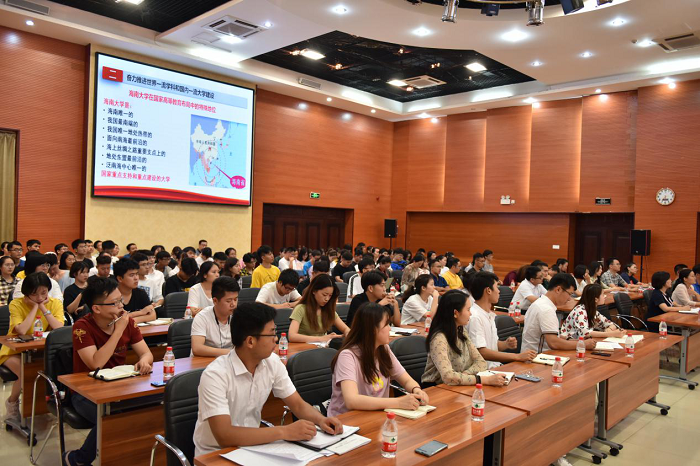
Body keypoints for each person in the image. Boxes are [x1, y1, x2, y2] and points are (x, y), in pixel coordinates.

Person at [193, 302, 343, 456]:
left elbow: (297, 405)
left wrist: (321, 420)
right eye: (271, 334)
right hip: (215, 454)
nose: (276, 339)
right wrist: (284, 431)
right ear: (250, 341)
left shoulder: (272, 362)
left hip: (252, 446)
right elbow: (225, 436)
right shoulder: (215, 375)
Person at [64, 276, 153, 466]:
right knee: (113, 416)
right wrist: (118, 330)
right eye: (115, 303)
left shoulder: (127, 322)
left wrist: (144, 361)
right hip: (85, 392)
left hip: (119, 386)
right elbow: (95, 363)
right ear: (96, 308)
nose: (121, 306)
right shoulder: (82, 327)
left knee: (150, 408)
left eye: (121, 300)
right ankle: (77, 459)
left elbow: (146, 353)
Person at [327, 302, 429, 416]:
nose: (389, 328)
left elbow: (406, 380)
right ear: (372, 329)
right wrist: (398, 402)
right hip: (347, 420)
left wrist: (416, 390)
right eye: (386, 325)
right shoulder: (347, 356)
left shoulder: (383, 349)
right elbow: (351, 400)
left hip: (376, 415)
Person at [0, 273, 64, 420]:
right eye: (34, 294)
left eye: (44, 292)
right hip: (12, 351)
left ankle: (43, 407)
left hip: (39, 350)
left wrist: (43, 308)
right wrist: (35, 307)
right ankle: (12, 403)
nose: (40, 297)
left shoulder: (54, 303)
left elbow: (59, 328)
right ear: (27, 293)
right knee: (26, 373)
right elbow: (22, 330)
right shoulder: (16, 304)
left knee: (50, 372)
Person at [422, 290, 504, 387]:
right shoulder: (439, 338)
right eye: (468, 309)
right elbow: (448, 377)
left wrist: (464, 375)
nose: (471, 314)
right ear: (455, 313)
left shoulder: (461, 330)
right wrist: (483, 380)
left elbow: (481, 362)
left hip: (457, 385)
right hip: (436, 388)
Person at [467, 272, 537, 368]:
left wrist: (506, 344)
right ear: (488, 290)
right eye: (497, 287)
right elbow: (481, 352)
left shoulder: (489, 314)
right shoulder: (475, 317)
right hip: (482, 370)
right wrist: (517, 356)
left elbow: (493, 345)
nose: (499, 291)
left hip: (494, 366)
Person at [521, 274, 597, 353]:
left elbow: (552, 338)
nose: (569, 299)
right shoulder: (546, 309)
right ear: (558, 290)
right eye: (569, 294)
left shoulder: (540, 303)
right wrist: (583, 344)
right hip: (537, 356)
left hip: (534, 353)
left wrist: (575, 340)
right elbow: (554, 343)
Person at [289, 274, 349, 343]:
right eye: (324, 295)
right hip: (304, 347)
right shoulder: (301, 309)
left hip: (322, 346)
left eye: (330, 296)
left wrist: (347, 334)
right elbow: (292, 336)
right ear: (314, 291)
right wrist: (321, 338)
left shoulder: (328, 309)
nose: (327, 299)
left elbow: (346, 329)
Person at [191, 277, 240, 357]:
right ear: (215, 301)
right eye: (228, 301)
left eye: (235, 299)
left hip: (230, 360)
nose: (233, 304)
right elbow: (197, 348)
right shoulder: (202, 317)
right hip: (205, 361)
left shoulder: (238, 316)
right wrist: (231, 353)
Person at [559, 284, 626, 340]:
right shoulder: (580, 310)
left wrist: (610, 329)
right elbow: (585, 333)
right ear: (596, 299)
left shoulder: (593, 310)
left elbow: (611, 324)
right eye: (603, 295)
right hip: (569, 343)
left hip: (582, 343)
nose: (605, 297)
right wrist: (610, 334)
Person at [113, 259, 156, 324]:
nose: (136, 278)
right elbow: (116, 320)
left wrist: (129, 321)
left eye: (137, 274)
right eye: (131, 275)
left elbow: (153, 316)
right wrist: (140, 313)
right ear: (120, 278)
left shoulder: (141, 293)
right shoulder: (111, 296)